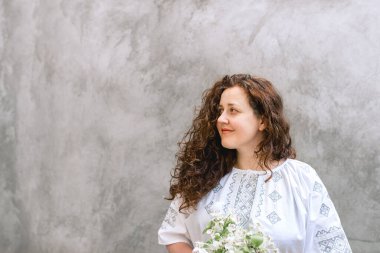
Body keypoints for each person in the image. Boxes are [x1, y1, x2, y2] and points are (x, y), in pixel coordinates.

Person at [158, 74, 352, 253]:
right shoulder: (203, 174)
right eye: (220, 110)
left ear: (263, 121)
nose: (221, 119)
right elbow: (174, 233)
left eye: (233, 110)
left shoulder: (302, 179)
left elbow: (332, 246)